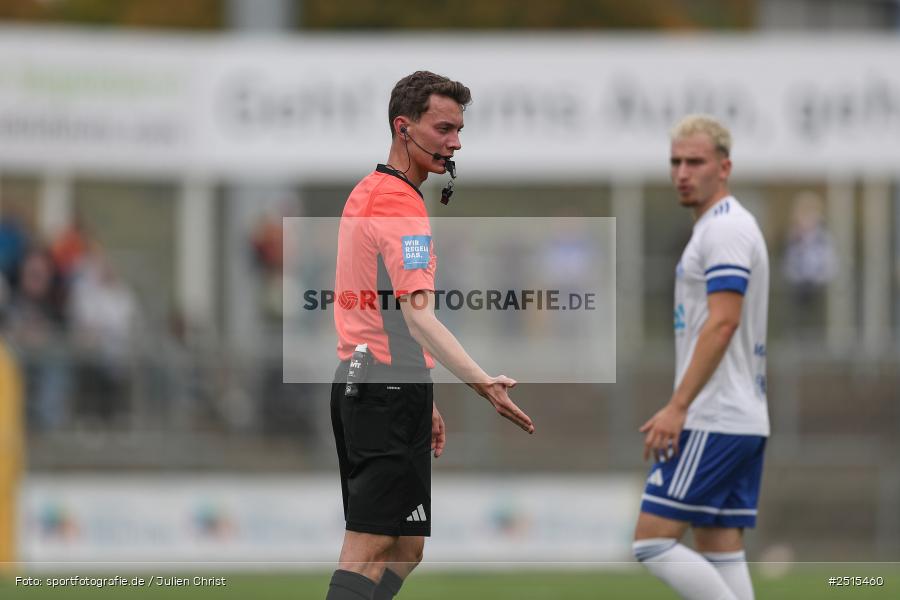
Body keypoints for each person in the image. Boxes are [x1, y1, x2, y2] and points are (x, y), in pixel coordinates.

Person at [326, 71, 535, 600]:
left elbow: (380, 309)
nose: (455, 142)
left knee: (406, 546)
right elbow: (418, 317)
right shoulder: (397, 203)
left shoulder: (369, 191)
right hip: (382, 388)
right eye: (443, 129)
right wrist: (483, 383)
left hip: (380, 380)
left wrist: (421, 386)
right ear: (404, 128)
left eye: (459, 130)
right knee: (371, 546)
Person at [633, 114, 769, 600]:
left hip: (715, 416)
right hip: (740, 417)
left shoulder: (726, 229)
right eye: (676, 162)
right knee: (718, 547)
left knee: (651, 542)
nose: (682, 173)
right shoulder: (720, 227)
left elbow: (724, 322)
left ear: (724, 167)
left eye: (695, 162)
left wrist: (678, 406)